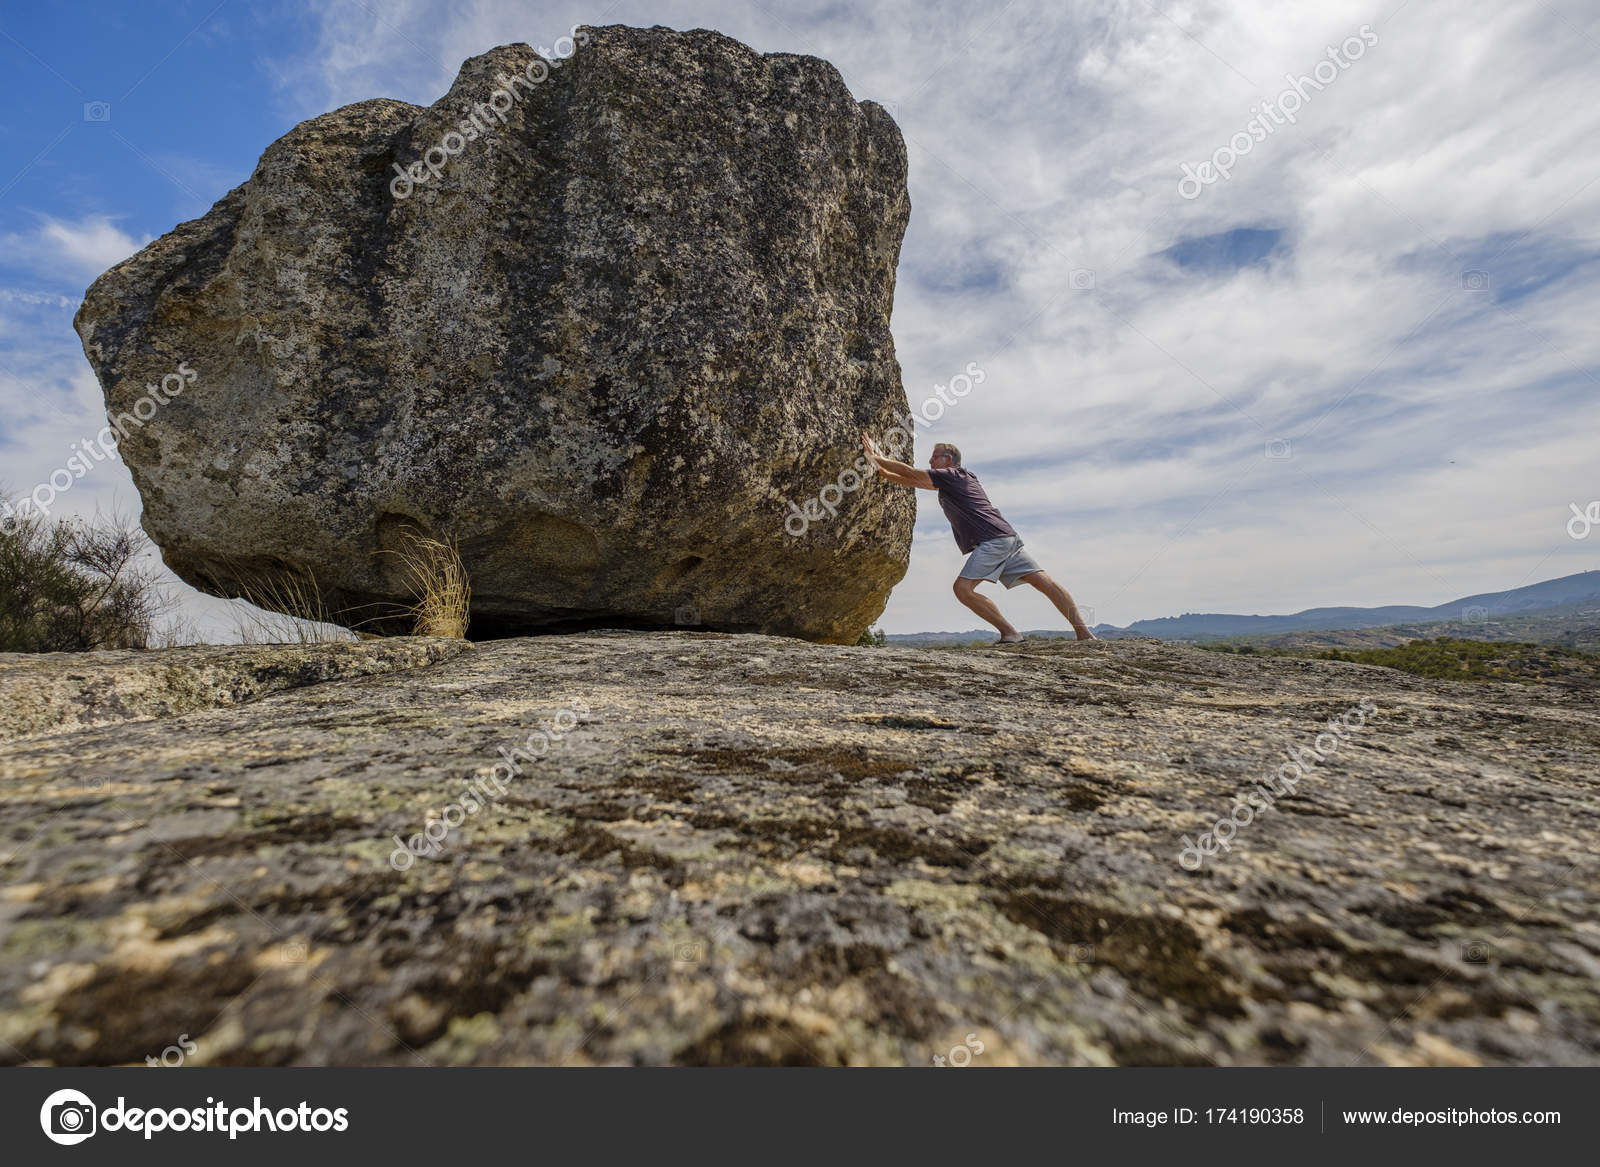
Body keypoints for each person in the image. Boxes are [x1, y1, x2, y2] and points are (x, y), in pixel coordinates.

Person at [861, 433, 1097, 644]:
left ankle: (1010, 633)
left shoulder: (953, 475)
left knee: (963, 589)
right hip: (1006, 537)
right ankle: (1084, 633)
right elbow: (912, 480)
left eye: (935, 457)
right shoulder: (955, 481)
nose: (931, 462)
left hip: (993, 540)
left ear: (949, 459)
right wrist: (880, 467)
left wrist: (875, 456)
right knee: (1046, 584)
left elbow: (912, 473)